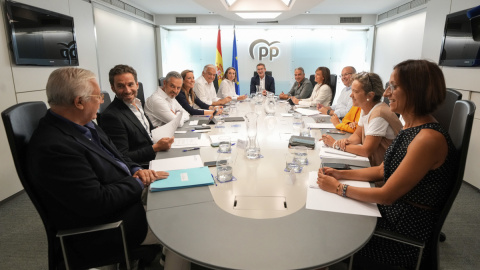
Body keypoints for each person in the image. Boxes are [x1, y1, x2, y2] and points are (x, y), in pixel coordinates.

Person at [317, 59, 456, 269]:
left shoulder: (427, 139)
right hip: (393, 212)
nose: (387, 93)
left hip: (401, 230)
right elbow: (383, 170)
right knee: (327, 213)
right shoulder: (410, 127)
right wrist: (340, 174)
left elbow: (386, 195)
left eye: (394, 86)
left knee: (327, 228)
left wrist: (338, 188)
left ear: (415, 91)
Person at [27, 67, 168, 265]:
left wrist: (137, 169)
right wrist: (137, 183)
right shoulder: (54, 147)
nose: (101, 102)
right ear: (79, 102)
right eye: (98, 97)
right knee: (179, 221)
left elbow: (118, 156)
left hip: (125, 199)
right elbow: (96, 201)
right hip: (110, 226)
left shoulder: (86, 124)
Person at [321, 72, 402, 166]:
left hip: (382, 173)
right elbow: (358, 136)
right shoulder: (366, 109)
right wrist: (345, 142)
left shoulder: (378, 114)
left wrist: (335, 144)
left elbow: (366, 151)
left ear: (370, 96)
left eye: (355, 91)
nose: (351, 95)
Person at [99, 64, 174, 166]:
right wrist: (156, 148)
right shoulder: (111, 116)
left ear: (137, 85)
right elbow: (121, 156)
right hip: (144, 166)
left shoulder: (137, 103)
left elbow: (147, 133)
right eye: (120, 86)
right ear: (113, 88)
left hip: (157, 156)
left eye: (130, 84)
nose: (127, 90)